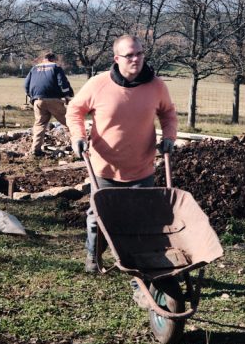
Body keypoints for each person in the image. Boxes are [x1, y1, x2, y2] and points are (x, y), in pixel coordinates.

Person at [66, 35, 178, 274]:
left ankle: (137, 266)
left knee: (139, 220)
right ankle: (94, 257)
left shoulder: (156, 86)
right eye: (129, 55)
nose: (136, 59)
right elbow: (74, 110)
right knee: (98, 217)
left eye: (139, 54)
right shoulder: (98, 84)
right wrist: (77, 136)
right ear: (117, 59)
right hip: (104, 167)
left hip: (141, 167)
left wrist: (169, 137)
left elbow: (168, 113)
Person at [24, 52, 74, 157]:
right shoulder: (56, 67)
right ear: (53, 59)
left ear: (43, 59)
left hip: (38, 100)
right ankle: (77, 146)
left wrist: (31, 96)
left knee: (40, 125)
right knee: (68, 123)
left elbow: (26, 85)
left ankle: (35, 150)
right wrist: (67, 95)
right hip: (53, 99)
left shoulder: (34, 68)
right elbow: (62, 83)